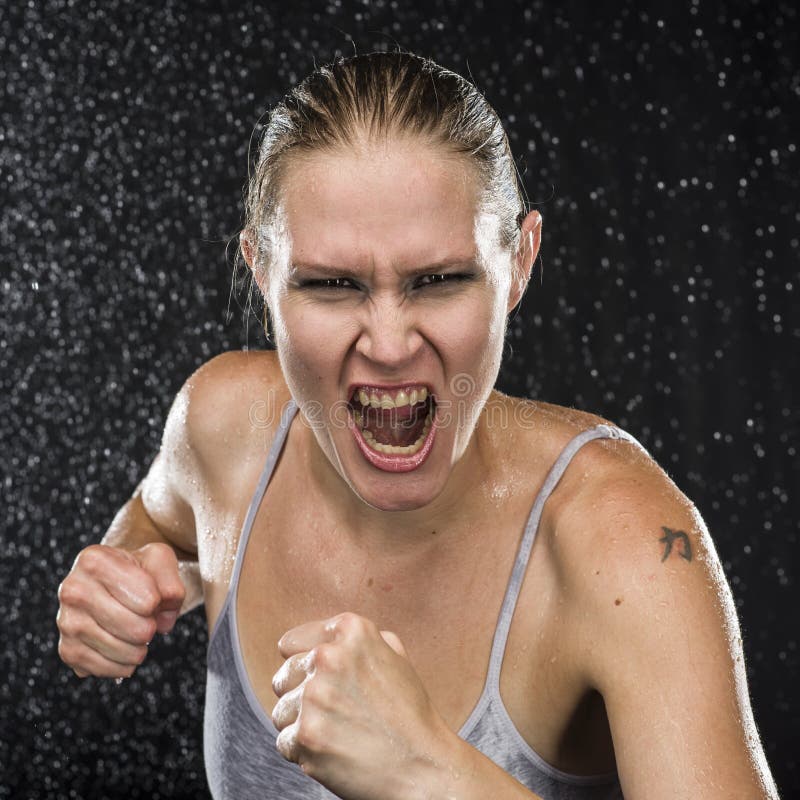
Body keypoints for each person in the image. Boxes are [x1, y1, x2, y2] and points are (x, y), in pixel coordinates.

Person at [56, 51, 778, 800]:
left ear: (520, 263)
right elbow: (158, 524)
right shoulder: (225, 423)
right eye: (332, 285)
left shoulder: (625, 545)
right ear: (262, 271)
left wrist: (431, 775)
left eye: (439, 280)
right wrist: (119, 579)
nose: (390, 344)